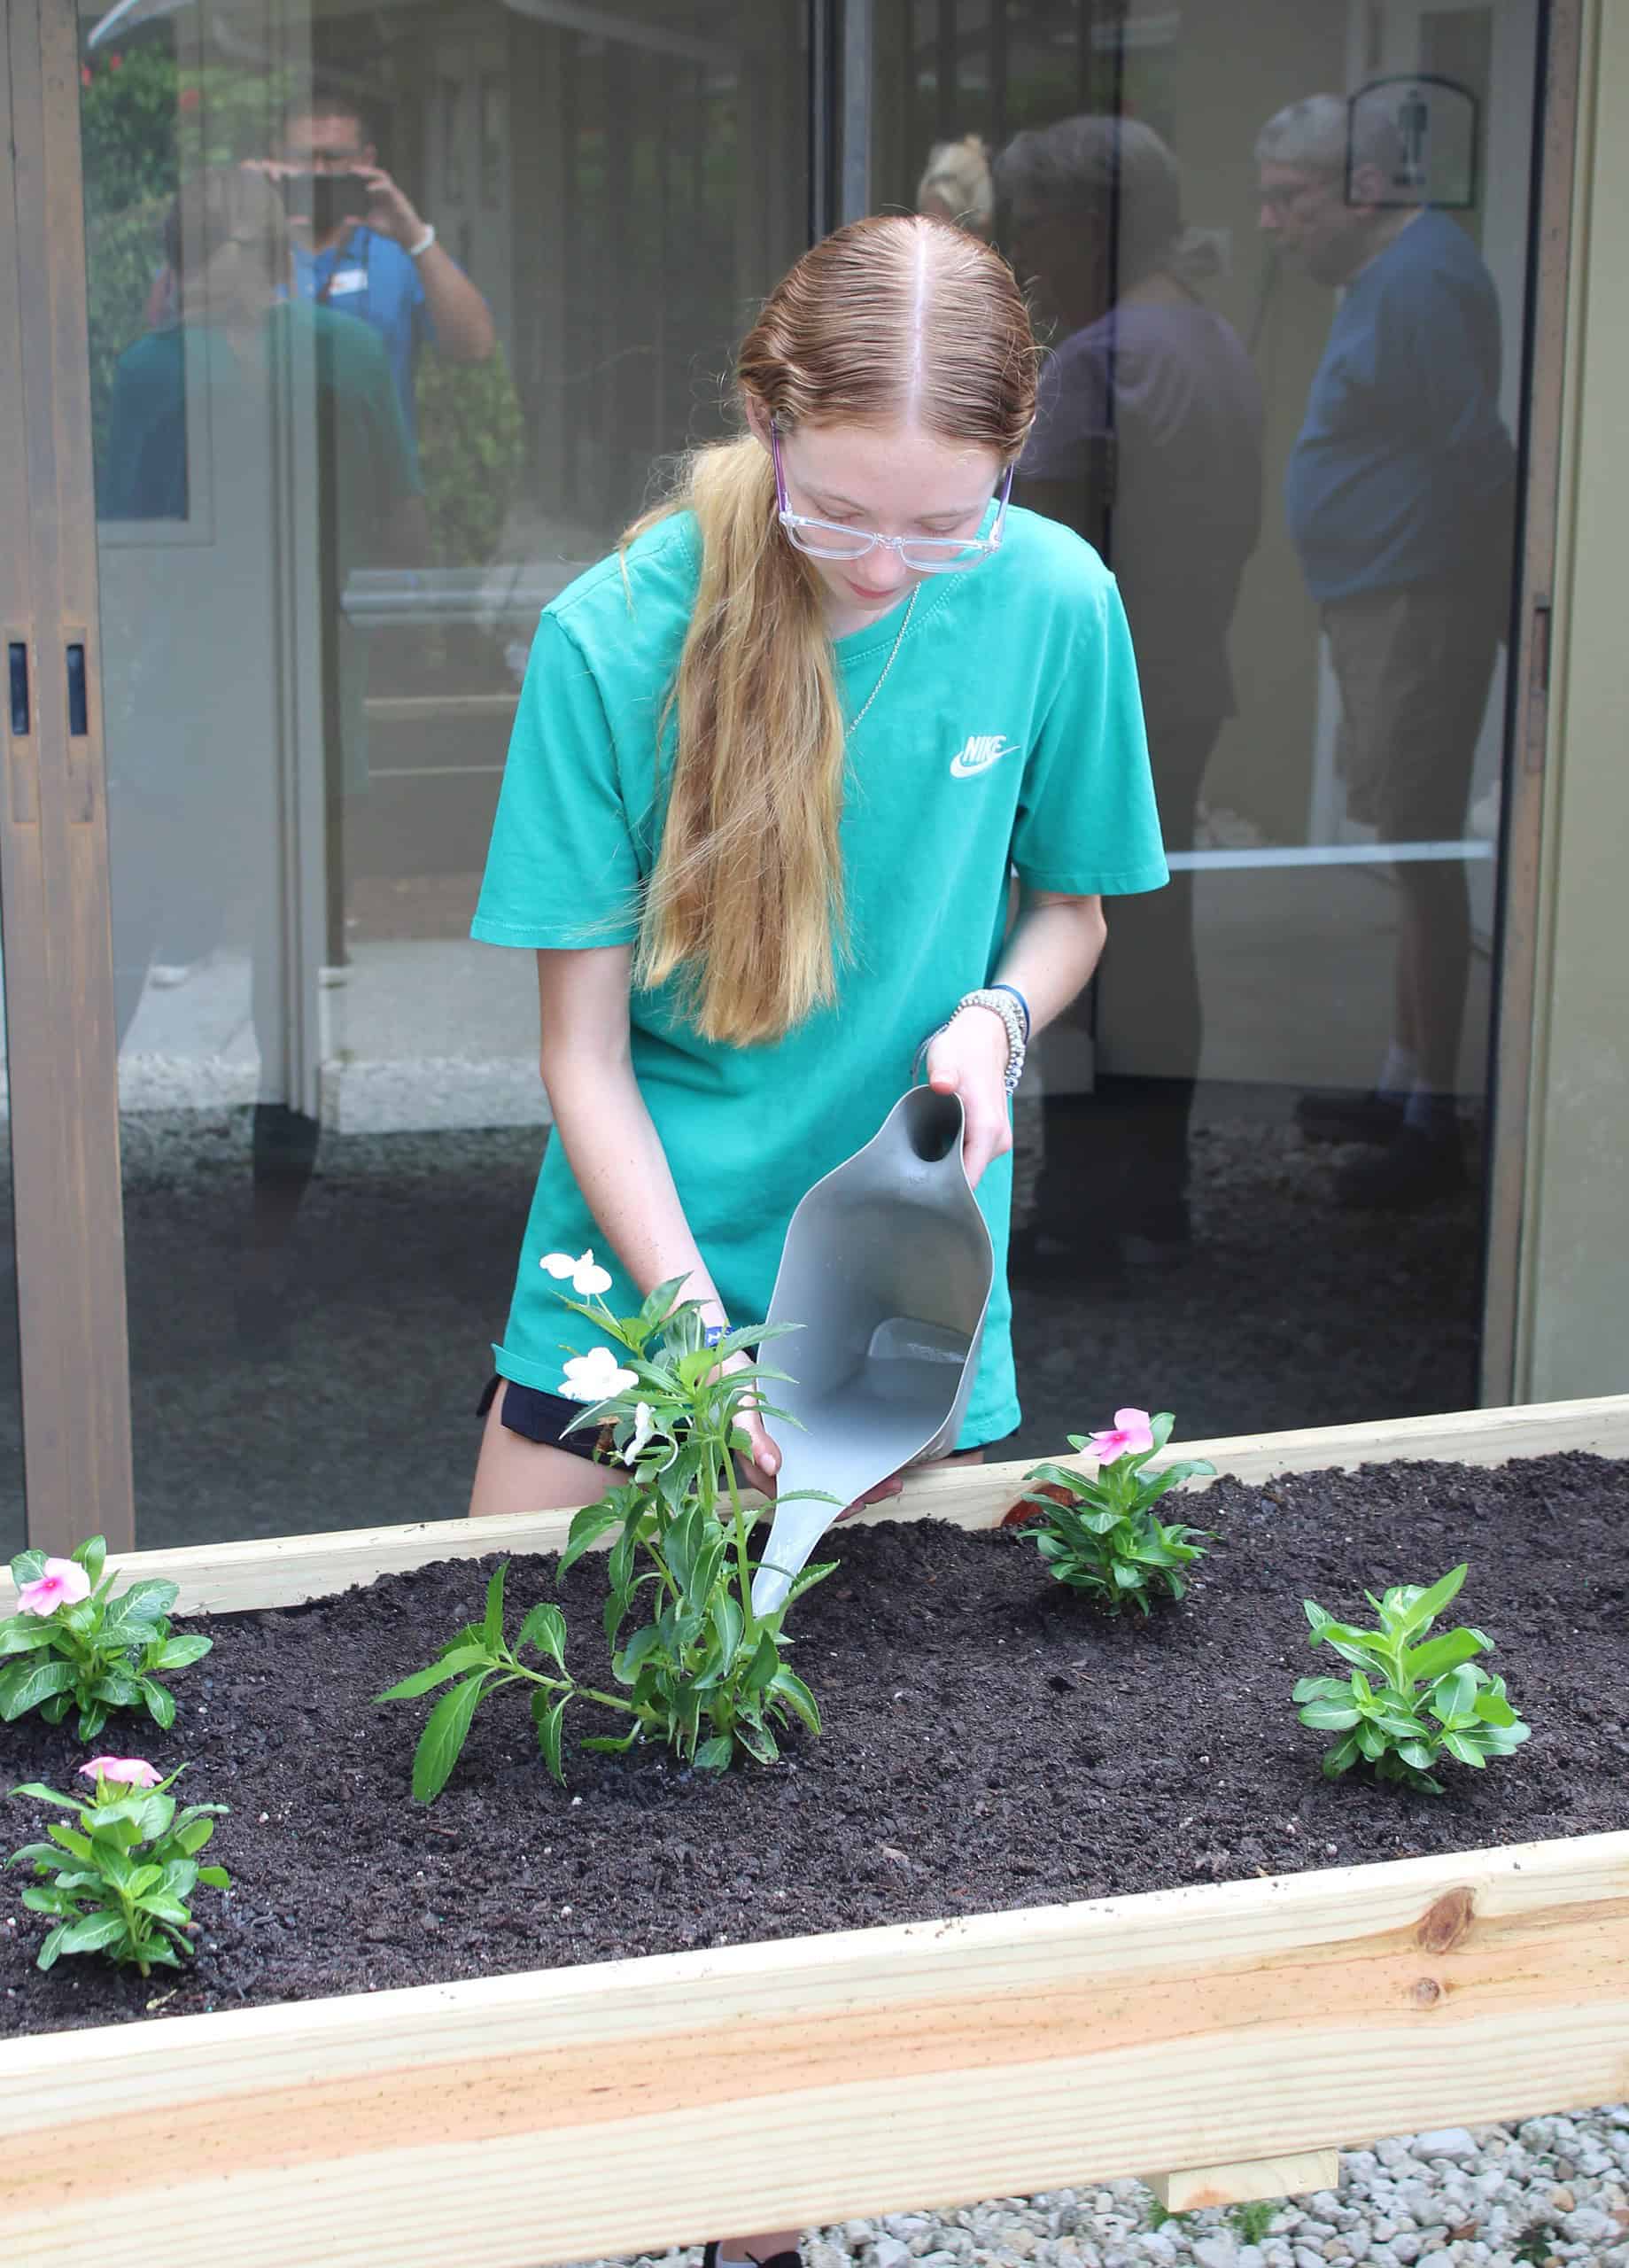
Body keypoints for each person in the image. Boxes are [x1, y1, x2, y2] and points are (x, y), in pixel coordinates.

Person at [467, 211, 1165, 2257]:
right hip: (630, 1289)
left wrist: (999, 1009)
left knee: (821, 1854)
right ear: (763, 426)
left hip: (896, 1300)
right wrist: (696, 1351)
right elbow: (583, 1060)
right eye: (838, 510)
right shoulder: (620, 634)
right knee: (520, 1796)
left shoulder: (1054, 605)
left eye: (936, 525)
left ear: (1014, 460)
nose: (880, 563)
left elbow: (1074, 903)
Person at [100, 166, 426, 1340]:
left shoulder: (163, 367)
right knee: (251, 979)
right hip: (275, 698)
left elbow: (117, 536)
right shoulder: (327, 351)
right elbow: (402, 509)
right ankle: (256, 1253)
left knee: (149, 959)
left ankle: (118, 1228)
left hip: (212, 699)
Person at [996, 115, 1264, 1264]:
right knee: (1158, 945)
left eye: (1033, 223)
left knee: (1080, 945)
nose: (1024, 251)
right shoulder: (1206, 337)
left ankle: (1087, 1213)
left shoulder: (1100, 356)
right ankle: (1148, 1199)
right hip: (1186, 669)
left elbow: (1031, 552)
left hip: (1103, 700)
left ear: (1083, 222)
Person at [1256, 94, 1517, 1209]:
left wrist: (1446, 609)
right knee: (1406, 849)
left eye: (1291, 198)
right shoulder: (1395, 279)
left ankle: (1429, 1122)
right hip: (1390, 596)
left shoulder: (1423, 281)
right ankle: (1402, 1079)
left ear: (1366, 186)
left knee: (1419, 849)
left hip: (1419, 602)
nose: (1273, 224)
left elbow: (1473, 456)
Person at [248, 86, 496, 447]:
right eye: (303, 158)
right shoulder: (242, 246)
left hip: (373, 488)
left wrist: (415, 236)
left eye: (334, 159)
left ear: (366, 161)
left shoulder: (398, 253)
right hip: (272, 482)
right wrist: (235, 217)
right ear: (276, 158)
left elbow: (475, 347)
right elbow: (165, 323)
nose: (318, 173)